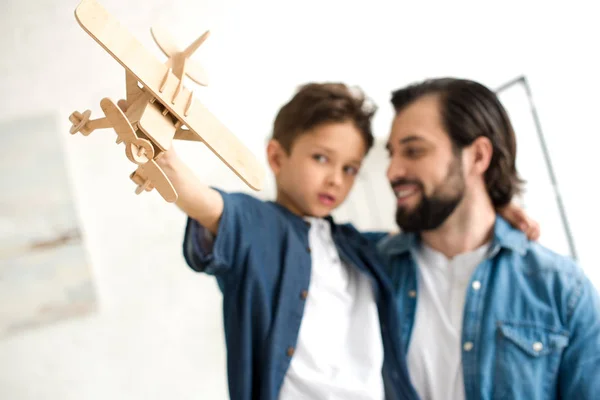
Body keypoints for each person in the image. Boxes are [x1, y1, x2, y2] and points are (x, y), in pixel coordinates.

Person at [118, 82, 535, 400]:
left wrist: (492, 212)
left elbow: (439, 232)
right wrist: (162, 154)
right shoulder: (257, 228)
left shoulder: (359, 248)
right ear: (278, 157)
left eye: (351, 168)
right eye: (321, 158)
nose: (336, 178)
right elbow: (203, 202)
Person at [377, 77, 600, 400]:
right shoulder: (369, 269)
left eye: (414, 150)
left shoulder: (563, 290)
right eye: (391, 154)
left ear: (478, 156)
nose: (392, 171)